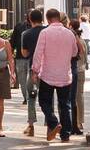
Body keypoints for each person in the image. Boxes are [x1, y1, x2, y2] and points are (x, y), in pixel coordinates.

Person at [32, 8, 77, 142]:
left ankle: (53, 122)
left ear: (47, 19)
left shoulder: (45, 33)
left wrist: (35, 70)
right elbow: (74, 52)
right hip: (64, 74)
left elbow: (38, 53)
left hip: (48, 74)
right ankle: (65, 134)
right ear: (58, 18)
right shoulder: (70, 34)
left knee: (44, 101)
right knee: (65, 105)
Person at [18, 8, 45, 137]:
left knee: (31, 97)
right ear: (42, 18)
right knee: (47, 97)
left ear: (30, 19)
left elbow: (24, 53)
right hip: (47, 70)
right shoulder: (47, 32)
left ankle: (31, 125)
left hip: (33, 68)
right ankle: (49, 124)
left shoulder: (26, 34)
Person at [69, 17, 88, 135]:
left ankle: (75, 121)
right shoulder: (83, 41)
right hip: (81, 70)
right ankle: (80, 121)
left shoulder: (74, 40)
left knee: (72, 97)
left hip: (74, 70)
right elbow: (85, 57)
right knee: (79, 96)